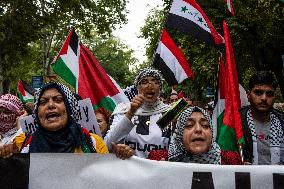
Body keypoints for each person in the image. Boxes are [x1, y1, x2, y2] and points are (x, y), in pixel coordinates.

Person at [0, 82, 108, 158]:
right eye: (43, 102)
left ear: (69, 107)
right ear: (37, 113)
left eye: (58, 100)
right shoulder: (21, 144)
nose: (50, 105)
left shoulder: (94, 143)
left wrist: (122, 156)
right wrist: (7, 155)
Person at [104, 68, 171, 159]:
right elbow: (108, 144)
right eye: (144, 82)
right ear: (137, 87)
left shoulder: (169, 113)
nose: (150, 86)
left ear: (160, 88)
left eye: (155, 82)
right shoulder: (123, 110)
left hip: (160, 171)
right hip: (130, 171)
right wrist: (130, 113)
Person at [240, 71, 283, 165]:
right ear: (248, 95)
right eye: (258, 93)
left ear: (274, 96)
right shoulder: (237, 123)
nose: (264, 98)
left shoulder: (282, 123)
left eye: (269, 94)